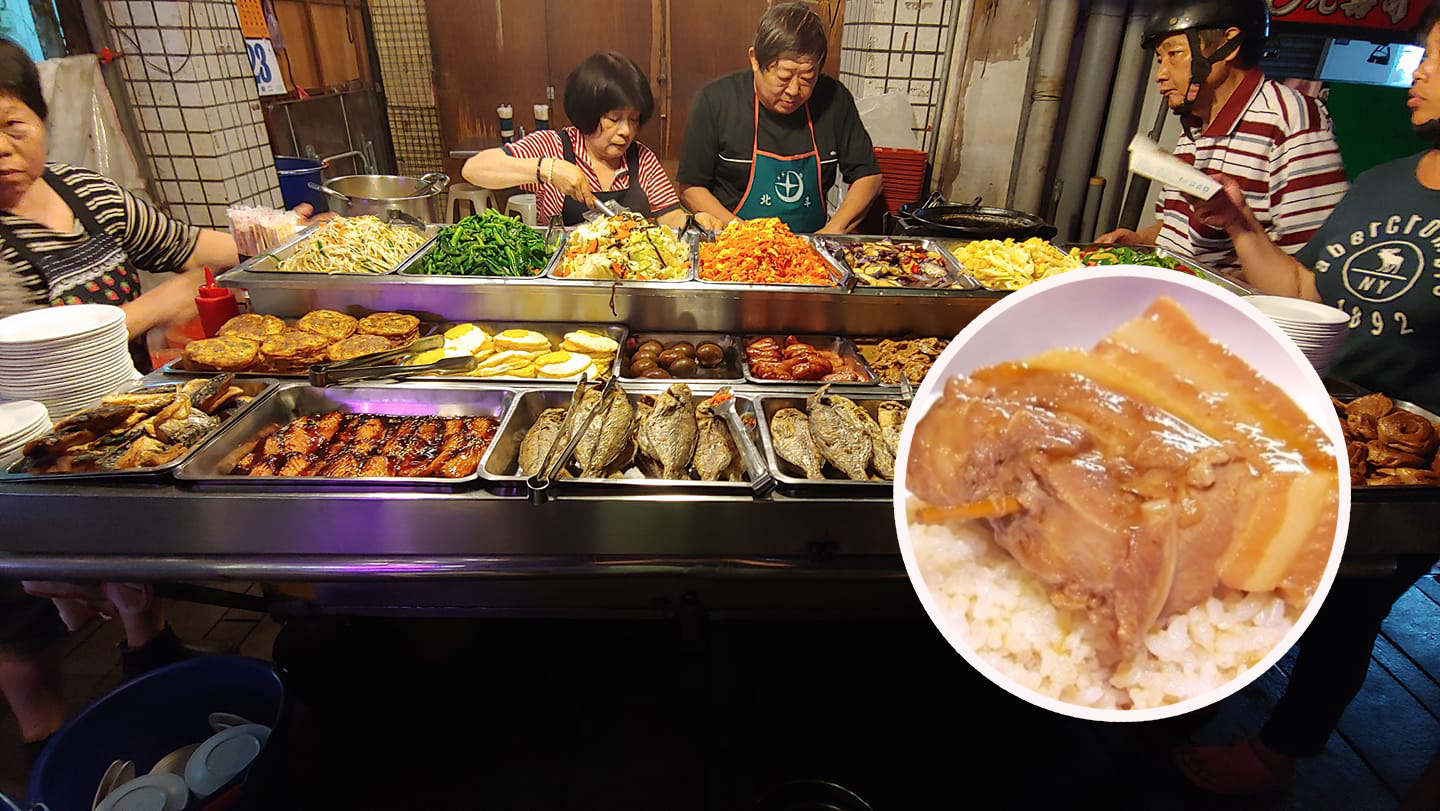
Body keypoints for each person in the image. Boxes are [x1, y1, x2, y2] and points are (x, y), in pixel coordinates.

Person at [0, 37, 311, 763]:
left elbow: (192, 246)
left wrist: (287, 235)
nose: (2, 150)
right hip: (28, 447)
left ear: (41, 118)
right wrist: (152, 309)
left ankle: (153, 660)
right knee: (25, 621)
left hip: (137, 417)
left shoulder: (86, 193)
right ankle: (46, 743)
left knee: (137, 571)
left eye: (13, 126)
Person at [1170, 8, 1440, 797]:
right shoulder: (1387, 180)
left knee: (1353, 604)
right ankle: (1193, 689)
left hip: (1400, 464)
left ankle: (1278, 752)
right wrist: (1240, 224)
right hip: (1312, 420)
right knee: (1247, 563)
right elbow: (1302, 286)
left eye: (1437, 57)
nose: (1417, 70)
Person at [1097, 0, 1349, 276]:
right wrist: (1139, 240)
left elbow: (1312, 264)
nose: (1161, 74)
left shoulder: (1291, 118)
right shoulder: (1196, 123)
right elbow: (1178, 229)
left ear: (1228, 45)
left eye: (1175, 54)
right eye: (1160, 60)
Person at [676, 1, 882, 234]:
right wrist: (743, 234)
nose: (794, 90)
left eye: (807, 78)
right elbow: (691, 188)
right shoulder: (716, 100)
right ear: (755, 59)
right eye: (784, 77)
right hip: (734, 241)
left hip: (811, 243)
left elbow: (869, 177)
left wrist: (831, 231)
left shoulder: (834, 99)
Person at [463, 51, 695, 230]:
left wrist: (694, 222)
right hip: (567, 273)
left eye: (634, 119)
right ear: (588, 113)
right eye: (613, 119)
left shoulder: (641, 158)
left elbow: (669, 216)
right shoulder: (553, 146)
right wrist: (548, 169)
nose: (626, 130)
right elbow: (474, 169)